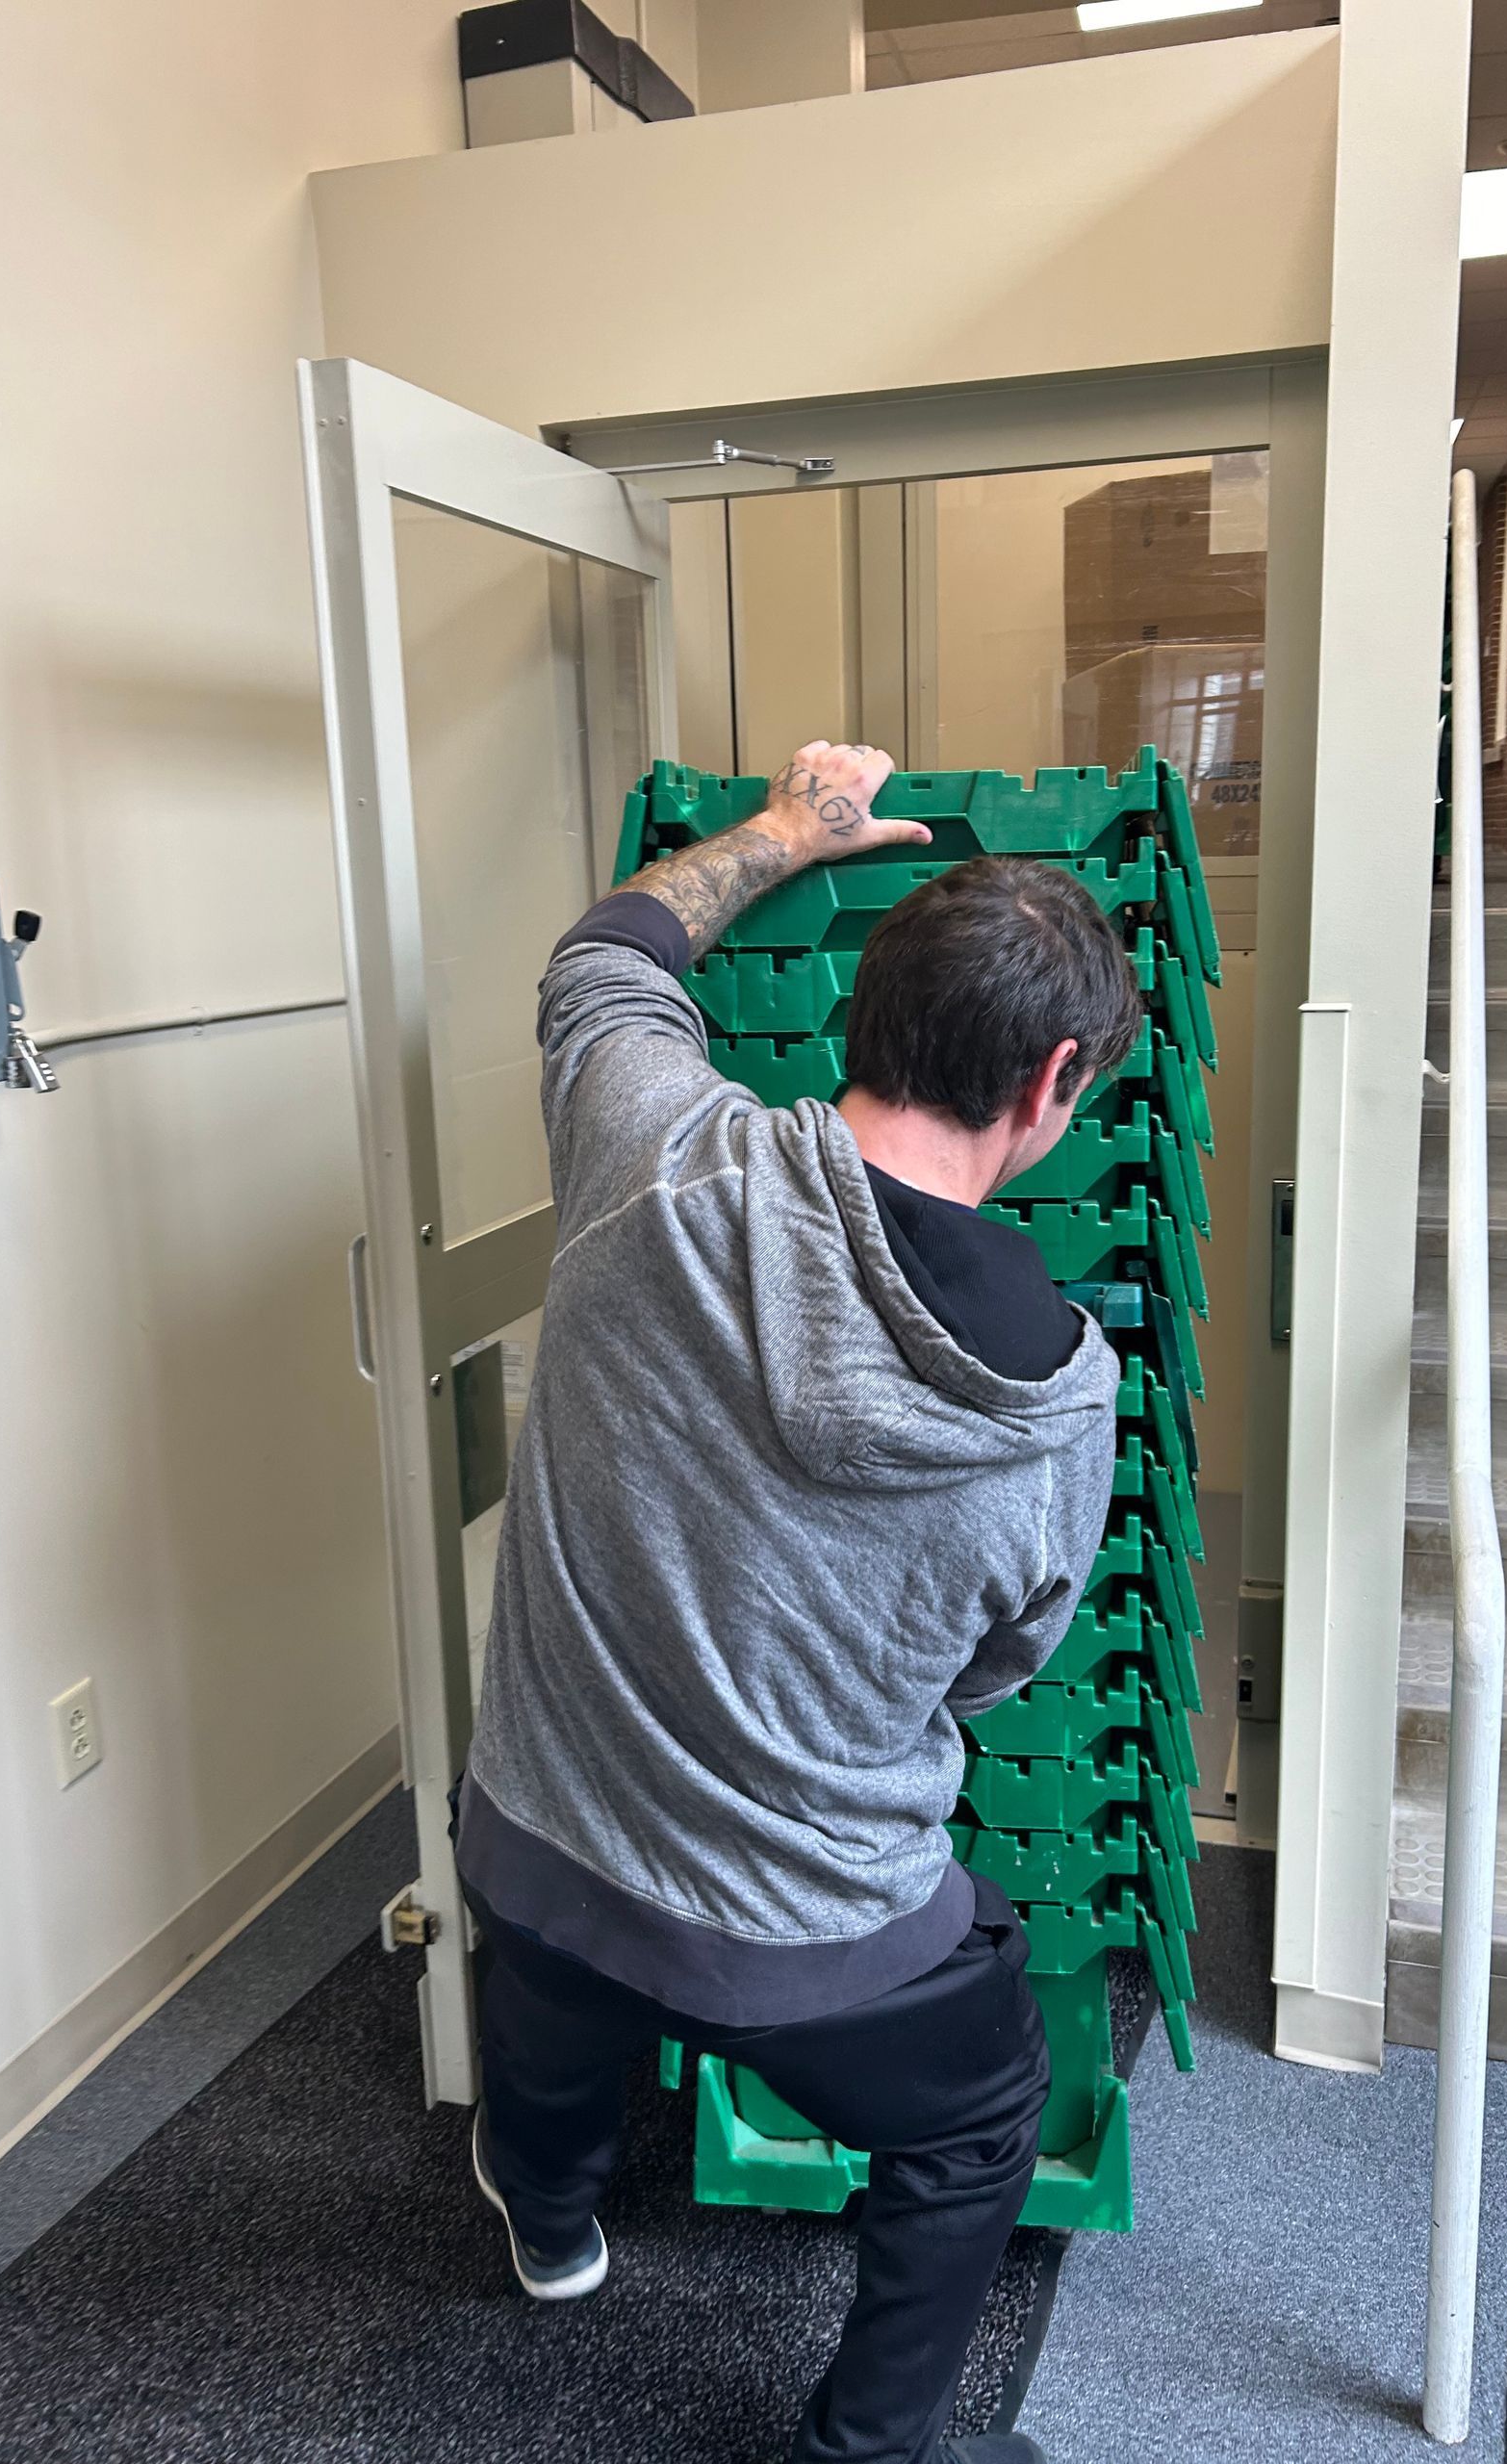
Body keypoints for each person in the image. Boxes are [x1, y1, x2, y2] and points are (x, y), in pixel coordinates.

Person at [454, 741, 1142, 2464]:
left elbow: (605, 960)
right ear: (1053, 1083)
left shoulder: (647, 1147)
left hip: (540, 1846)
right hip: (812, 1942)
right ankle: (868, 2448)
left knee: (540, 2055)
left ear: (866, 1009)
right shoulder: (1055, 1393)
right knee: (977, 2124)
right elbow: (1001, 1670)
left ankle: (549, 2219)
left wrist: (786, 829)